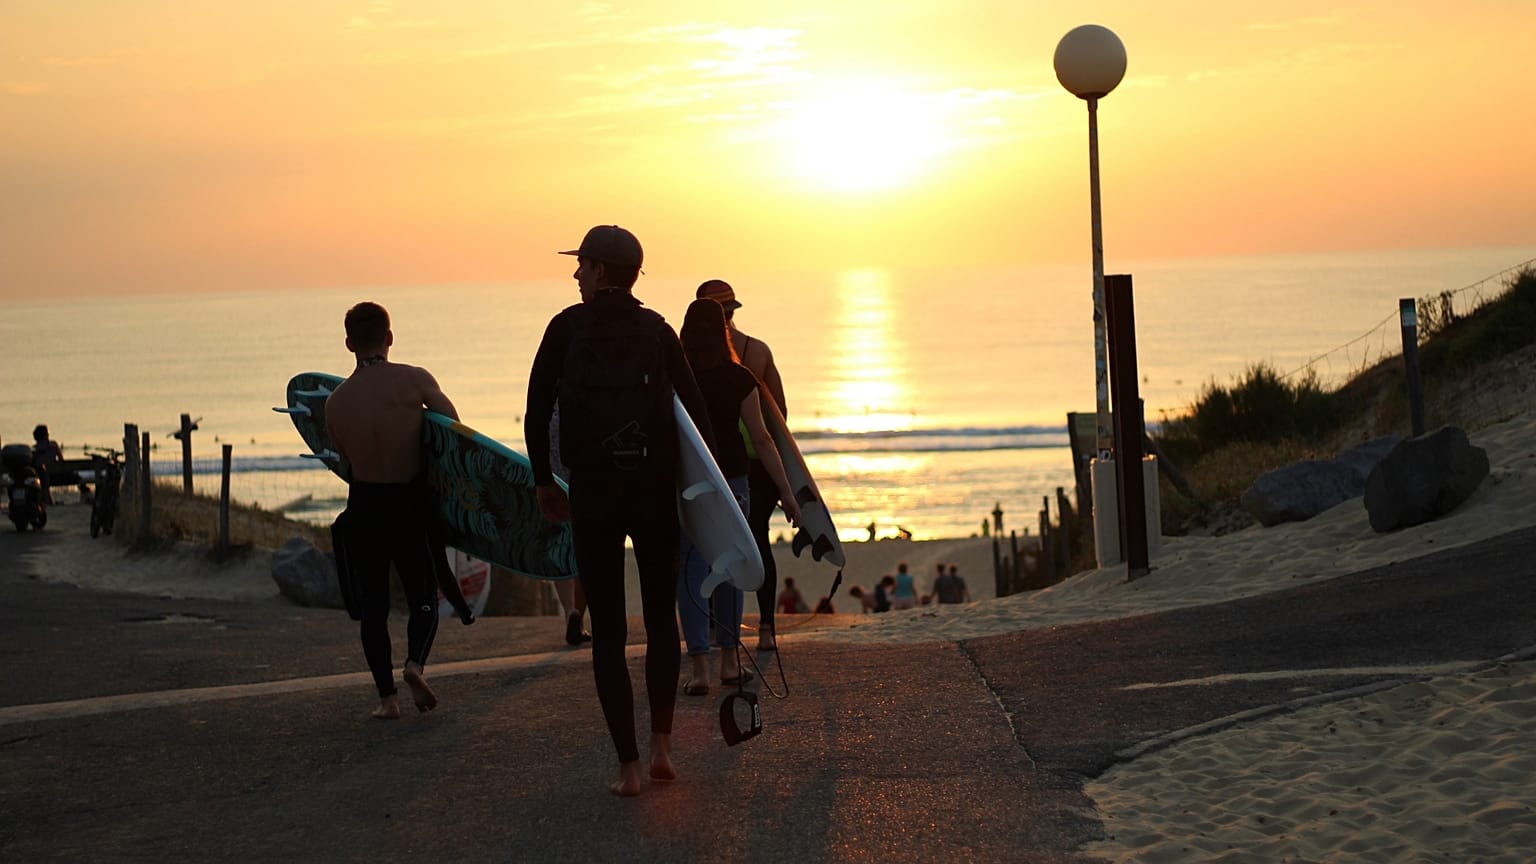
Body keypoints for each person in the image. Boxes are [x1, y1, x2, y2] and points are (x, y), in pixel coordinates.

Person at [525, 224, 713, 798]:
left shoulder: (565, 327)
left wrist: (544, 482)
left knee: (607, 630)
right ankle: (662, 748)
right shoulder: (657, 331)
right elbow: (697, 419)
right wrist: (694, 497)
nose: (576, 274)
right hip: (653, 493)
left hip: (595, 496)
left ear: (602, 271)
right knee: (660, 620)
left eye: (582, 264)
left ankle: (628, 769)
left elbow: (535, 412)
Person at [324, 302, 461, 721]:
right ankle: (415, 665)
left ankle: (387, 700)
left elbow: (343, 459)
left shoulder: (336, 403)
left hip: (364, 506)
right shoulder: (415, 381)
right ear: (390, 337)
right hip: (409, 504)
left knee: (373, 604)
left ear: (348, 343)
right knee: (423, 595)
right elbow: (456, 436)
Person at [676, 298, 800, 696]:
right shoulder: (740, 377)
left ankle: (699, 668)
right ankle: (730, 663)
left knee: (692, 571)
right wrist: (787, 492)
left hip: (690, 484)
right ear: (723, 330)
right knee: (730, 570)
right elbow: (762, 439)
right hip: (734, 483)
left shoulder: (676, 379)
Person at [696, 279, 788, 653]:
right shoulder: (759, 352)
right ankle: (766, 628)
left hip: (712, 465)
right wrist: (787, 479)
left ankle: (719, 629)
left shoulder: (689, 359)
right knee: (758, 540)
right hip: (756, 464)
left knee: (716, 547)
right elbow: (779, 415)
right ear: (732, 311)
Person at [548, 404, 590, 646]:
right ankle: (580, 619)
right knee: (583, 554)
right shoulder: (581, 394)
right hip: (582, 486)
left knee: (561, 552)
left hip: (553, 486)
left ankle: (569, 612)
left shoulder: (546, 407)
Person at [32, 425, 62, 505]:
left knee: (42, 475)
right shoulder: (53, 445)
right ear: (46, 435)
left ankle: (46, 500)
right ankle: (48, 500)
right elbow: (61, 460)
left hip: (42, 477)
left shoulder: (34, 449)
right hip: (58, 476)